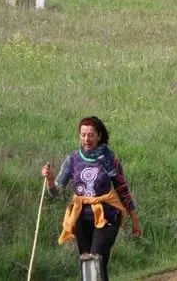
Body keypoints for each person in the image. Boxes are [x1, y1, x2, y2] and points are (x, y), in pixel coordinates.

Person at [41, 116, 142, 281]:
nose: (86, 139)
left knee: (95, 258)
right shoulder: (73, 159)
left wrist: (134, 220)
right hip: (81, 218)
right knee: (89, 263)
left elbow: (122, 189)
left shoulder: (109, 160)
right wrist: (51, 181)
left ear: (99, 136)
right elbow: (57, 193)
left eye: (90, 135)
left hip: (107, 216)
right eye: (83, 135)